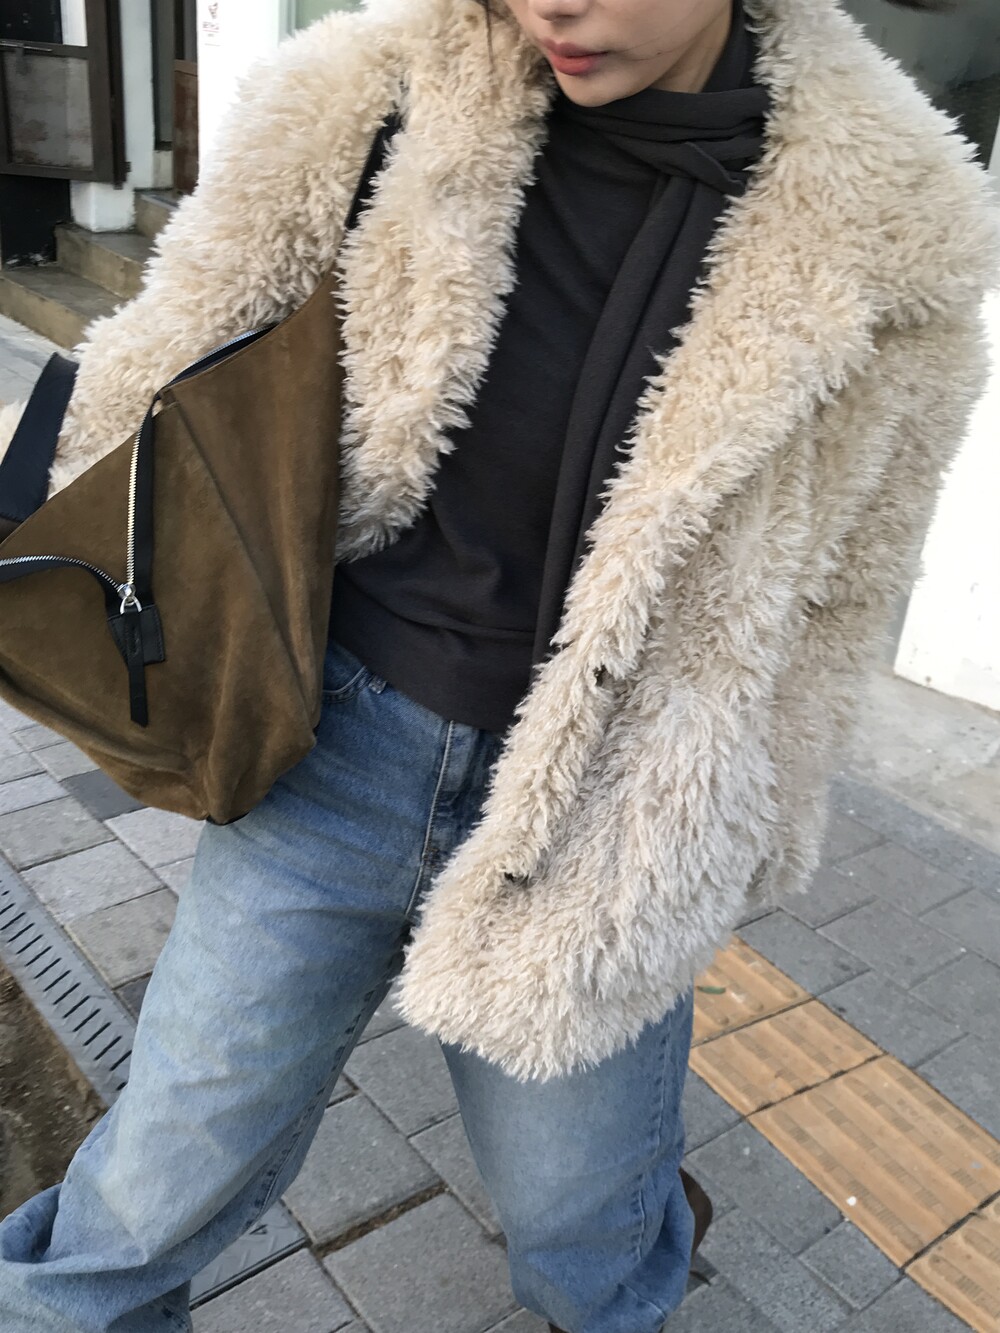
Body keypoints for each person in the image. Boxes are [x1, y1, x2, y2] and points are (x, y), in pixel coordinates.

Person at [0, 0, 996, 1328]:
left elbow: (848, 588)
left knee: (580, 1223)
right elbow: (170, 346)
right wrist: (54, 566)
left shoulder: (896, 223)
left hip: (610, 811)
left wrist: (745, 826)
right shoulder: (368, 92)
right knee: (155, 1180)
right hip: (329, 748)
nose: (553, 6)